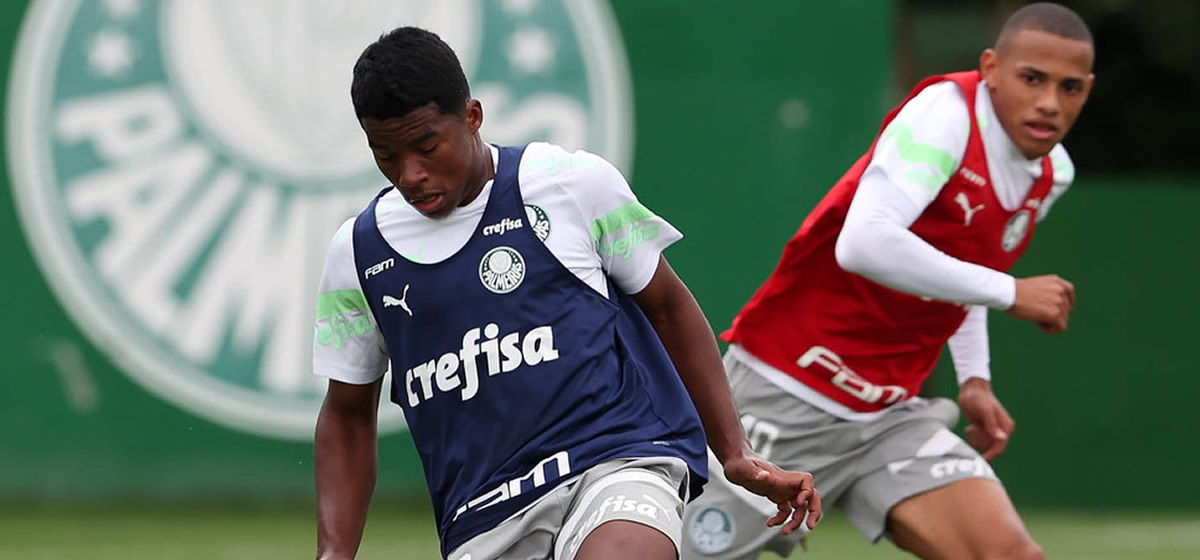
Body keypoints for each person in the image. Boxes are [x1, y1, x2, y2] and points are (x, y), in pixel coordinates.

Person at [311, 26, 822, 560]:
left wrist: (734, 452)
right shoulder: (359, 252)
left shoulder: (567, 184)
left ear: (472, 116)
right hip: (483, 514)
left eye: (425, 146)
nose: (410, 174)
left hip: (615, 460)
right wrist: (333, 553)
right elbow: (347, 413)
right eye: (386, 156)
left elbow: (668, 307)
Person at [681, 3, 1093, 559]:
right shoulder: (943, 117)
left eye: (1070, 88)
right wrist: (1012, 292)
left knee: (1009, 554)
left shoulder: (1052, 172)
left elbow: (963, 265)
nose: (1049, 102)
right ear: (991, 68)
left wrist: (974, 377)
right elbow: (864, 242)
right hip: (788, 396)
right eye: (1032, 79)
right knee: (668, 552)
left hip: (888, 418)